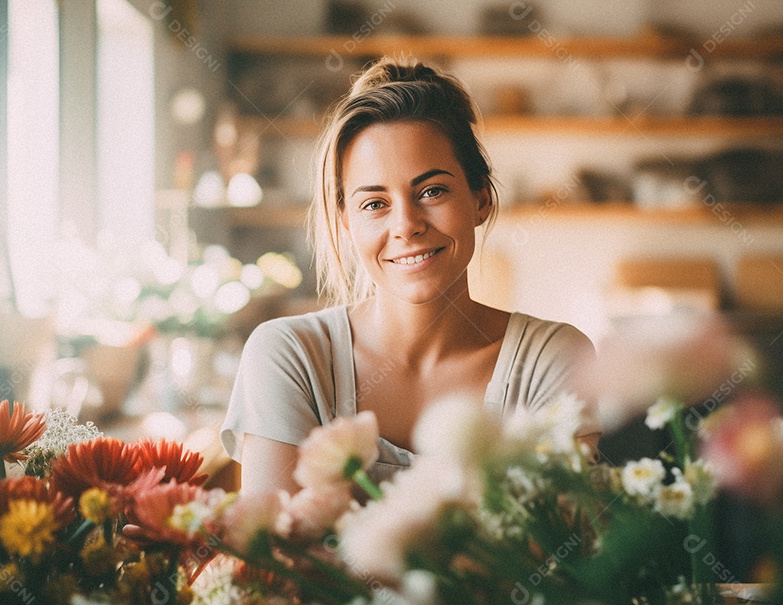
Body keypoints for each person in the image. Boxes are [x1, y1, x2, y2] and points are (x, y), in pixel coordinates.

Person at [220, 57, 597, 496]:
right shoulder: (289, 357)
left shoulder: (554, 360)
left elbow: (567, 553)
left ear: (481, 199)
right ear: (345, 221)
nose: (406, 225)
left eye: (431, 191)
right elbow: (271, 555)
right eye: (375, 203)